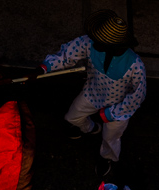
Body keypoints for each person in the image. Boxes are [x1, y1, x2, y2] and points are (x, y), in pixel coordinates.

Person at [38, 9, 146, 175]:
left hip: (118, 109)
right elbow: (67, 55)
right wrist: (45, 68)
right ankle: (91, 128)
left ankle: (107, 157)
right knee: (72, 117)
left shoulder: (135, 64)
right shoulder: (91, 42)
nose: (93, 42)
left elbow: (136, 97)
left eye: (99, 41)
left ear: (113, 46)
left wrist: (108, 114)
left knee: (110, 138)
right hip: (92, 93)